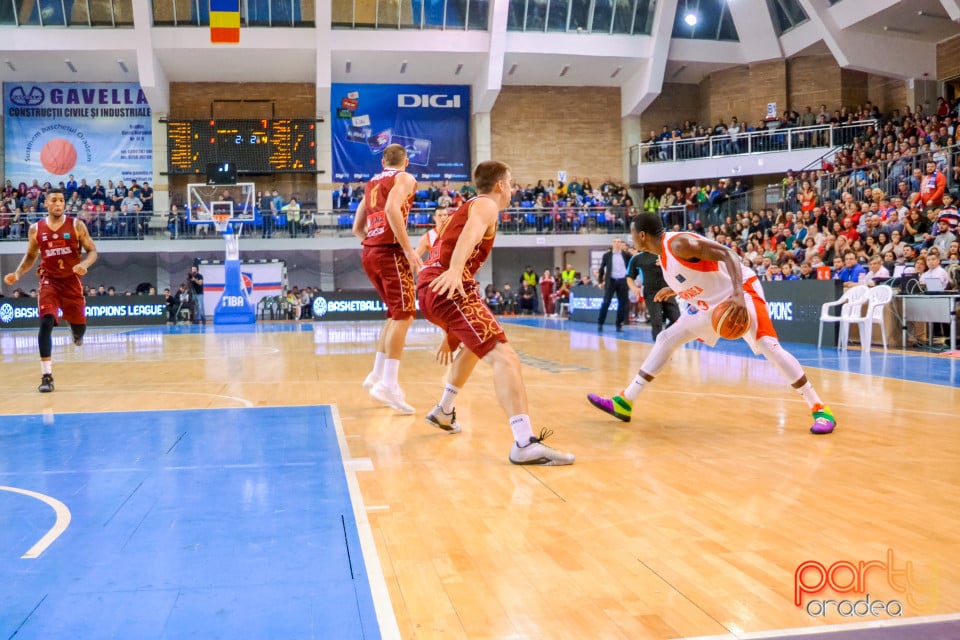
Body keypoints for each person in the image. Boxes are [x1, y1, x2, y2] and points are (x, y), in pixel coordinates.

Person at [587, 213, 837, 435]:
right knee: (667, 338)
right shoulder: (663, 258)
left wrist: (738, 294)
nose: (631, 238)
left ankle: (820, 409)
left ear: (642, 235)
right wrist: (674, 290)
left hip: (741, 292)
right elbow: (698, 274)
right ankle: (625, 401)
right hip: (711, 304)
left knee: (769, 346)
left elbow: (727, 254)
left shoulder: (678, 243)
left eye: (632, 234)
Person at [417, 160, 574, 465]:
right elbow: (471, 234)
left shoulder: (469, 207)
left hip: (436, 290)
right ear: (501, 184)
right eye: (511, 181)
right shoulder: (486, 205)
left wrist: (448, 327)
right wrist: (455, 271)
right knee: (506, 357)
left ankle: (444, 410)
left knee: (475, 350)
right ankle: (524, 442)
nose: (513, 188)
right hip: (450, 288)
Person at [3, 188, 98, 392]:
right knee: (46, 322)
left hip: (72, 281)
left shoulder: (76, 225)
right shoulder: (36, 229)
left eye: (62, 200)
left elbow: (92, 251)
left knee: (80, 328)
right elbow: (30, 256)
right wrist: (17, 274)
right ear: (45, 204)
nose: (58, 203)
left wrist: (85, 265)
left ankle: (76, 331)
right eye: (54, 200)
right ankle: (47, 376)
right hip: (49, 282)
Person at [352, 143, 421, 414]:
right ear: (406, 161)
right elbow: (393, 209)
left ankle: (376, 374)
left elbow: (357, 227)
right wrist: (407, 248)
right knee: (404, 315)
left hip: (370, 252)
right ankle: (389, 384)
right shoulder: (404, 178)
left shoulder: (371, 183)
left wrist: (372, 243)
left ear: (383, 161)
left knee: (394, 315)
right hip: (390, 252)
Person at [626, 246, 679, 340]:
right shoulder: (637, 258)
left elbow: (677, 269)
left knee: (677, 319)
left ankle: (664, 338)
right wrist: (633, 287)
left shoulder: (665, 255)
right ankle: (658, 345)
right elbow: (629, 276)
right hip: (650, 291)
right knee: (656, 321)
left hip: (667, 291)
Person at [597, 237, 632, 332]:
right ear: (612, 243)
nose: (617, 243)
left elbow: (631, 267)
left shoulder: (626, 255)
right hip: (611, 281)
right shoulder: (607, 255)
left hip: (623, 281)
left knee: (623, 304)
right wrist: (600, 281)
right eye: (615, 242)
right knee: (606, 302)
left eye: (619, 242)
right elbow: (601, 269)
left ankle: (619, 324)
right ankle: (600, 323)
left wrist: (630, 279)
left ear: (621, 244)